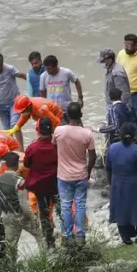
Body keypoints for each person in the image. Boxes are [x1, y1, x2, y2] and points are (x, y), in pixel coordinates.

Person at [52, 102, 96, 244]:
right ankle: (80, 235)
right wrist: (88, 171)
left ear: (66, 115)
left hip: (64, 176)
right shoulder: (87, 133)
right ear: (81, 116)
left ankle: (67, 235)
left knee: (65, 205)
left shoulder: (58, 131)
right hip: (81, 174)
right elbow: (93, 156)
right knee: (80, 204)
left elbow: (53, 147)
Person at [107, 123, 137, 245]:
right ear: (134, 136)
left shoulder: (112, 148)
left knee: (122, 209)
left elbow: (108, 168)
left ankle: (126, 237)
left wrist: (111, 183)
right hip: (135, 184)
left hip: (117, 184)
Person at [0, 151, 51, 253]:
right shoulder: (20, 181)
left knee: (11, 247)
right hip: (21, 217)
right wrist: (33, 218)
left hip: (7, 217)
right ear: (17, 164)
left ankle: (12, 267)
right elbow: (23, 203)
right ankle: (45, 260)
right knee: (40, 237)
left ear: (6, 164)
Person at [23, 117, 59, 249]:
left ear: (38, 130)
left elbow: (27, 164)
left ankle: (50, 242)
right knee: (61, 209)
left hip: (40, 186)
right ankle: (68, 236)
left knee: (44, 213)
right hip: (55, 184)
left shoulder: (32, 147)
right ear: (52, 129)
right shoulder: (57, 146)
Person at [0, 54, 27, 130]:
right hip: (1, 106)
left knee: (14, 125)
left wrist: (34, 84)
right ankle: (10, 142)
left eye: (1, 65)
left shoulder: (9, 69)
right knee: (6, 129)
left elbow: (22, 76)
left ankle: (19, 142)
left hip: (15, 102)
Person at [98, 48, 131, 123]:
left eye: (103, 61)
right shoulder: (111, 68)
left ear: (109, 60)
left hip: (117, 109)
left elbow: (123, 93)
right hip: (112, 106)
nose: (102, 63)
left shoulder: (116, 73)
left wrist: (120, 110)